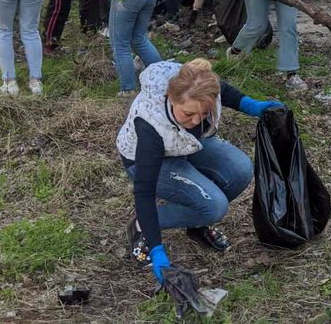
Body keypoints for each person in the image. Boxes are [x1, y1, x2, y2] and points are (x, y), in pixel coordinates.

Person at [116, 59, 283, 281]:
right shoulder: (150, 126)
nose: (195, 121)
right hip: (145, 161)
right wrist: (157, 249)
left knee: (241, 169)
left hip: (184, 145)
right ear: (171, 99)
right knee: (214, 206)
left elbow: (222, 90)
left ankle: (195, 223)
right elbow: (144, 192)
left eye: (203, 114)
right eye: (188, 114)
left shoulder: (198, 83)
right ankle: (140, 226)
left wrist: (252, 106)